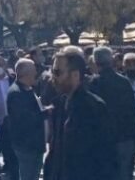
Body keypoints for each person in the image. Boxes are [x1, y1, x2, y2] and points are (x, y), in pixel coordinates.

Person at [43, 47, 114, 180]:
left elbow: (106, 157)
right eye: (53, 71)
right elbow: (55, 151)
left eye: (57, 72)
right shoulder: (58, 104)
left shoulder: (94, 107)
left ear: (75, 75)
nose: (53, 77)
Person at [89, 47, 135, 180]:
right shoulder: (123, 82)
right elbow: (133, 112)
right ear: (111, 60)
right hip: (123, 138)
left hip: (100, 140)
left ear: (95, 61)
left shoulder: (92, 84)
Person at [6, 59, 45, 180]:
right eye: (34, 71)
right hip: (26, 145)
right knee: (28, 176)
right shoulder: (16, 93)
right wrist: (44, 113)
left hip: (34, 144)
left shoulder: (27, 89)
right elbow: (24, 119)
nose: (36, 73)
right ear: (26, 74)